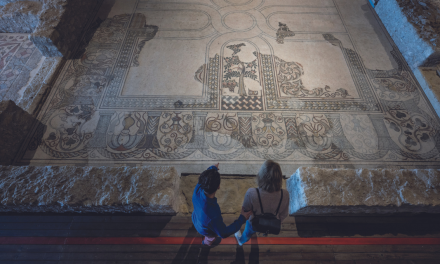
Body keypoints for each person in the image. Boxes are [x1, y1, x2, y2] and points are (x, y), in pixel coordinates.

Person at [192, 163, 252, 246]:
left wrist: (213, 168)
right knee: (211, 238)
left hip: (195, 219)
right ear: (218, 187)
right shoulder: (213, 214)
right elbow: (223, 233)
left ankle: (204, 242)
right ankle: (206, 243)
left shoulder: (197, 189)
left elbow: (205, 177)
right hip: (204, 230)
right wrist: (242, 219)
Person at [235, 160, 290, 246]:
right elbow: (284, 214)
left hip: (254, 221)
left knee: (247, 233)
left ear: (261, 176)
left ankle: (241, 241)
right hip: (271, 224)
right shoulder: (285, 194)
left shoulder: (252, 193)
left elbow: (246, 212)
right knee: (260, 229)